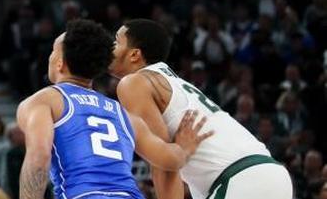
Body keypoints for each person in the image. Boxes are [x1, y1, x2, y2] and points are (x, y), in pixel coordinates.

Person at [16, 19, 212, 199]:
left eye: (53, 51)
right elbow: (170, 160)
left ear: (60, 63)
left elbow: (39, 157)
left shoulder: (44, 100)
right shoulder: (122, 112)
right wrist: (184, 148)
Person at [110, 19, 293, 199]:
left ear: (134, 54)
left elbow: (163, 163)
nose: (110, 47)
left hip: (240, 179)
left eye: (117, 41)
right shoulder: (175, 83)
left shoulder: (134, 83)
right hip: (269, 174)